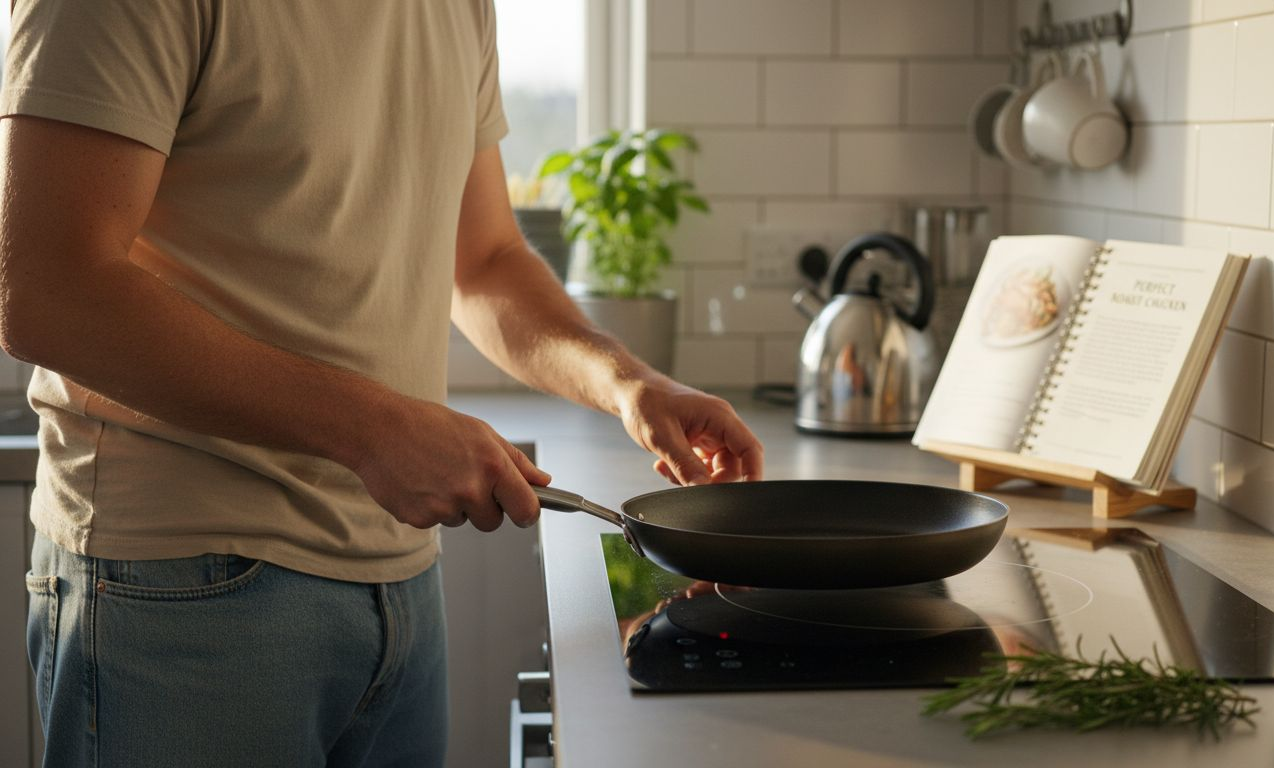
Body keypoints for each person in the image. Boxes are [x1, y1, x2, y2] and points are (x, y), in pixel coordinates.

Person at [0, 1, 764, 765]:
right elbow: (46, 291)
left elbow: (485, 260)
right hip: (180, 589)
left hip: (400, 583)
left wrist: (627, 383)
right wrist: (376, 430)